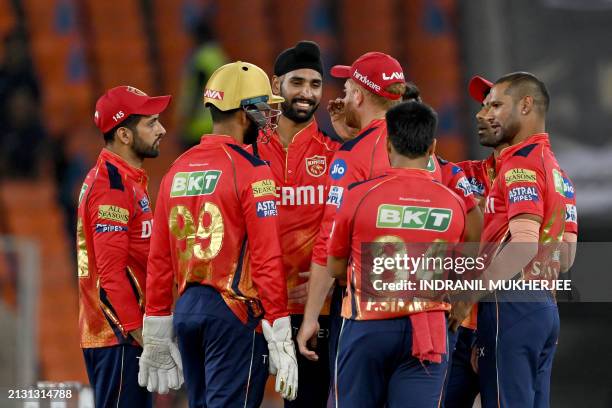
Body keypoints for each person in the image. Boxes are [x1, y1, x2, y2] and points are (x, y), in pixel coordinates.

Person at [296, 53, 481, 403]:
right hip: (429, 319)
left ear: (361, 96)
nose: (344, 98)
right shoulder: (432, 160)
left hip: (366, 312)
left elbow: (328, 245)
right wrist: (463, 296)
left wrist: (310, 318)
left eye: (348, 90)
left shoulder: (351, 157)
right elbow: (474, 224)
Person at [140, 61, 299, 407]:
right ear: (244, 114)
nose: (267, 120)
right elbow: (267, 257)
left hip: (187, 311)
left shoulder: (175, 170)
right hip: (234, 311)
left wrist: (156, 320)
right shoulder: (252, 171)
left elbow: (159, 258)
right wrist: (280, 328)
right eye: (262, 110)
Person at [327, 101, 467, 406]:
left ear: (388, 144)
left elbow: (335, 266)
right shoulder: (454, 203)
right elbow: (457, 269)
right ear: (432, 148)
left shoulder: (358, 196)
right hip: (427, 334)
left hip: (366, 327)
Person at [247, 40, 342, 408]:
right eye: (297, 82)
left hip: (312, 313)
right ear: (276, 86)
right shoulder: (248, 152)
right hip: (255, 310)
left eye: (315, 84)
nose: (306, 93)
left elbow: (346, 231)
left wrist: (323, 286)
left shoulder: (336, 155)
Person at [469, 72, 571, 408]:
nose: (487, 114)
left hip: (509, 302)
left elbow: (524, 243)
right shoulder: (558, 172)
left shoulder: (519, 163)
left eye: (497, 104)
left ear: (526, 105)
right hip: (544, 307)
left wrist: (469, 294)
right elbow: (566, 254)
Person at [77, 85, 171, 407]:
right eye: (152, 123)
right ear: (125, 135)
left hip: (123, 338)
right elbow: (110, 272)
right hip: (117, 338)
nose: (162, 130)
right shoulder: (112, 187)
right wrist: (142, 336)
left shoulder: (126, 180)